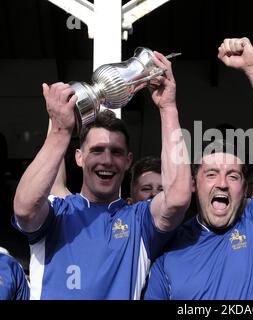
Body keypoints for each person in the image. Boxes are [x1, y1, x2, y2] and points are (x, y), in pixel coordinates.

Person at [12, 52, 191, 299]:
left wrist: (167, 108)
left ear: (128, 161)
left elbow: (178, 198)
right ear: (78, 157)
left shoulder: (139, 220)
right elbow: (24, 207)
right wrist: (60, 130)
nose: (107, 160)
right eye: (96, 150)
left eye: (116, 152)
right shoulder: (58, 212)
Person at [144, 37, 253, 300]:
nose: (222, 183)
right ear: (194, 183)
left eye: (233, 175)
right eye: (212, 173)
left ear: (245, 185)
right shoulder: (169, 248)